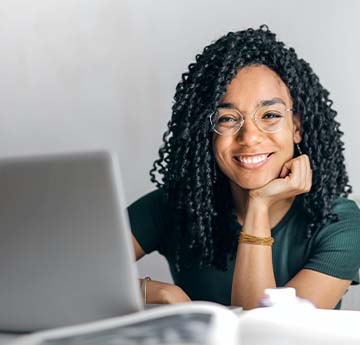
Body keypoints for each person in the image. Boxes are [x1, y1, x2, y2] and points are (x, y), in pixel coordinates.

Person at [128, 25, 360, 309]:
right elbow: (66, 273)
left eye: (270, 115)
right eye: (227, 118)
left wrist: (258, 205)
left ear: (296, 128)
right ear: (209, 132)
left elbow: (267, 334)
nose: (249, 137)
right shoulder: (174, 206)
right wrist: (156, 292)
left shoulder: (340, 223)